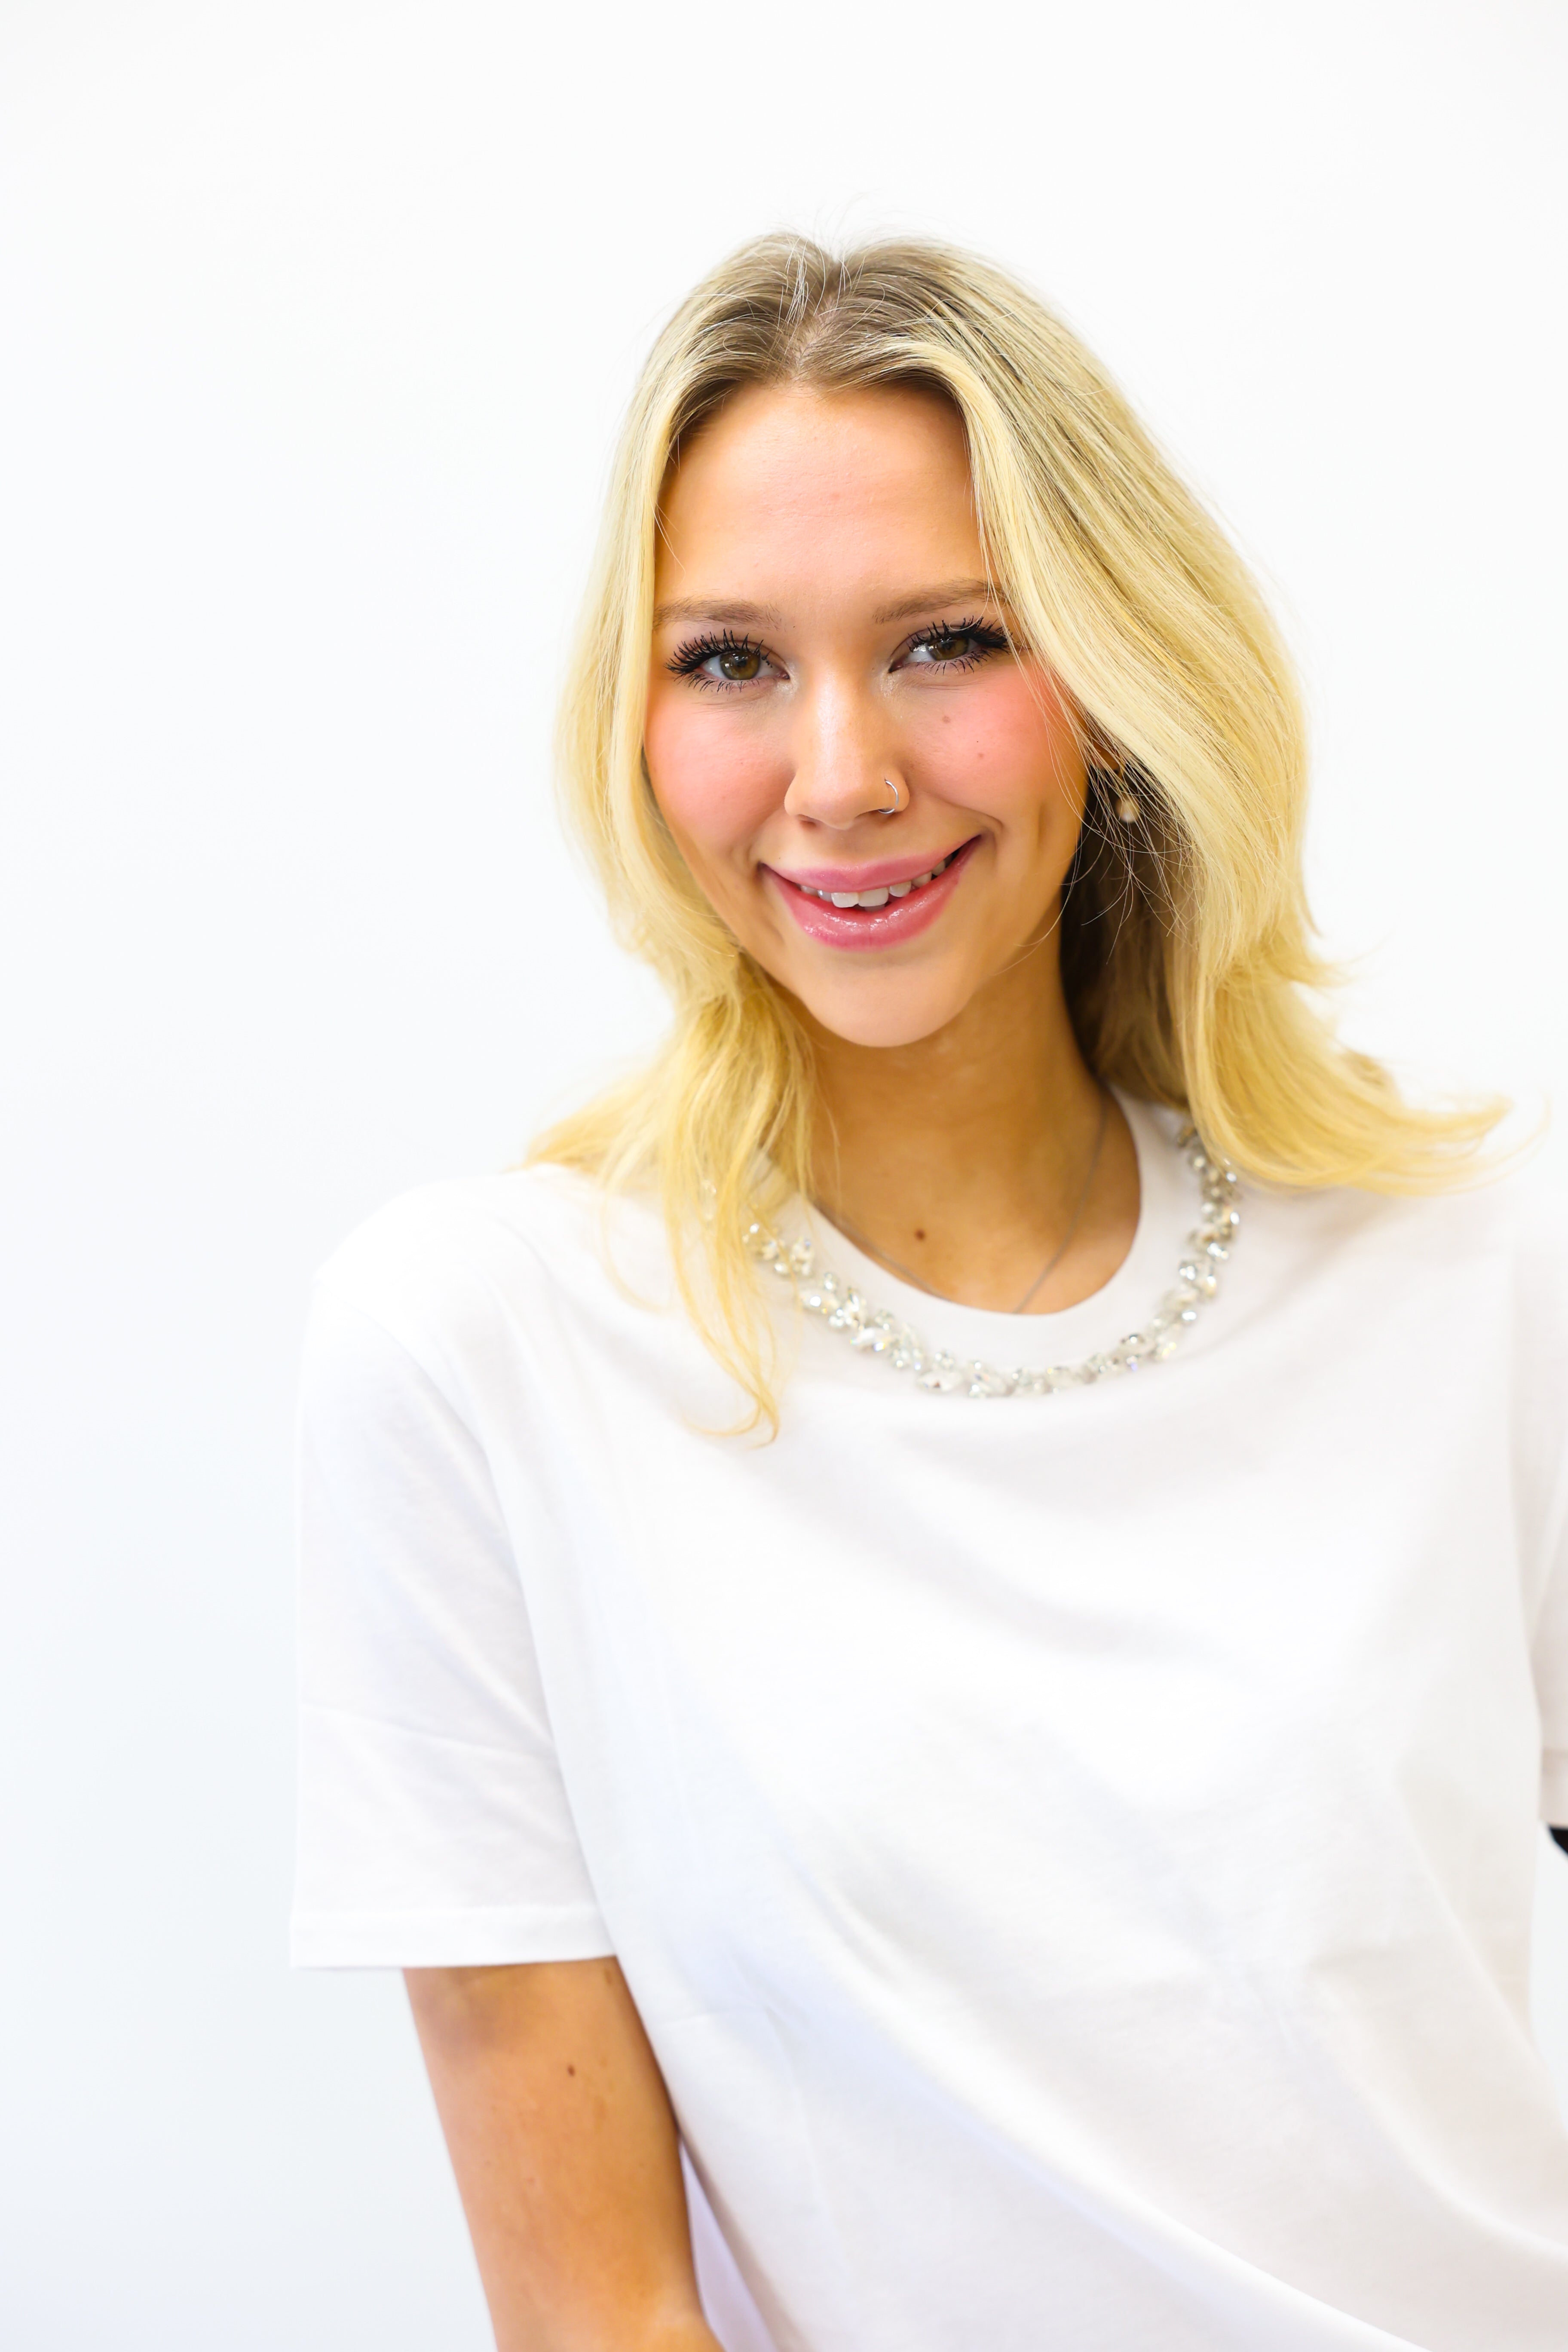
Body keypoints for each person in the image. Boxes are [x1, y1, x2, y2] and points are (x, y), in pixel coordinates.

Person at [291, 236, 1568, 2351]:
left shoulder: (1471, 1263)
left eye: (946, 642)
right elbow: (598, 2310)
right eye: (729, 663)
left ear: (1121, 672)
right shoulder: (481, 1343)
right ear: (634, 720)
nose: (841, 775)